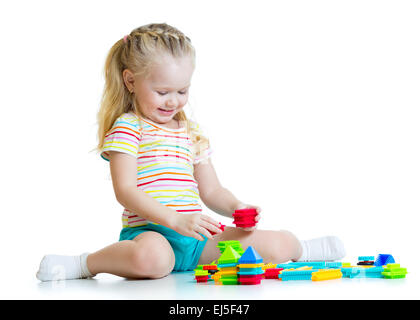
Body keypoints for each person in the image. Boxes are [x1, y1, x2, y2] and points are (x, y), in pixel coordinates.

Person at [36, 23, 345, 281]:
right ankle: (86, 264)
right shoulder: (129, 127)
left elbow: (211, 191)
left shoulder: (191, 132)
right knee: (154, 260)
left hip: (197, 241)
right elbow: (126, 191)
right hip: (149, 234)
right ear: (131, 81)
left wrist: (237, 206)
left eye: (182, 91)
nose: (173, 101)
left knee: (274, 246)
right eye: (162, 92)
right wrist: (174, 220)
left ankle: (304, 250)